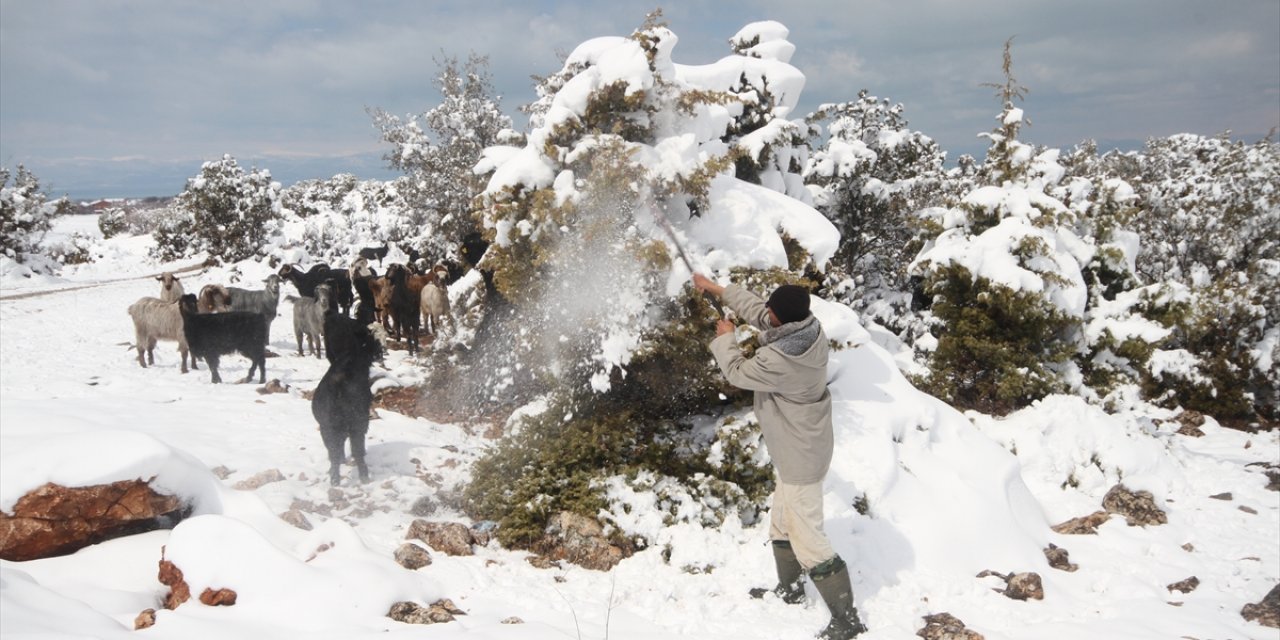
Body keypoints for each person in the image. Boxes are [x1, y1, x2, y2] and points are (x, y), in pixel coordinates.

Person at [693, 273, 866, 640]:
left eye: (771, 312)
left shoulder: (784, 360)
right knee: (782, 523)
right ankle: (788, 590)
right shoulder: (805, 328)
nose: (765, 314)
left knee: (808, 537)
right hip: (797, 448)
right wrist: (717, 289)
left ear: (781, 319)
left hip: (802, 455)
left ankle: (847, 618)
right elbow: (761, 311)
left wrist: (726, 339)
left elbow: (738, 372)